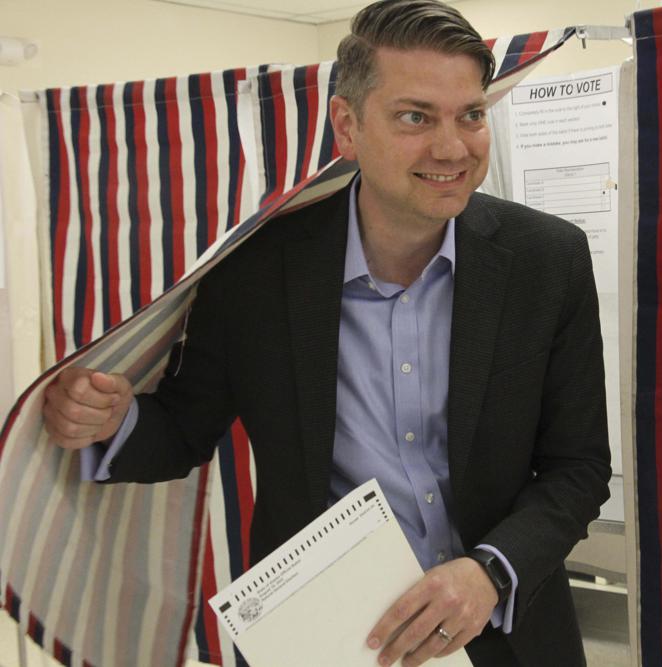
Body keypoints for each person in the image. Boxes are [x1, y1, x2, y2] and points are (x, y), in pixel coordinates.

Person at [41, 1, 611, 664]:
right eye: (415, 117)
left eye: (471, 115)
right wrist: (110, 421)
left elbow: (578, 467)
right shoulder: (255, 271)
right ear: (347, 125)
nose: (453, 148)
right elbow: (184, 428)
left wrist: (490, 572)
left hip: (507, 635)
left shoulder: (547, 261)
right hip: (325, 636)